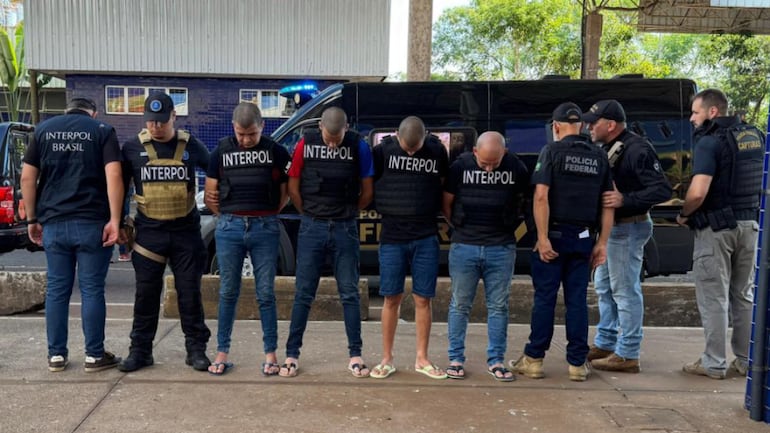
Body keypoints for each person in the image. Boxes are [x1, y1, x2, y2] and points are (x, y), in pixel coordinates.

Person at [510, 102, 613, 382]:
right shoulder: (599, 156)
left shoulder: (551, 151)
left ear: (556, 127)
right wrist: (602, 243)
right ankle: (577, 364)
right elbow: (608, 203)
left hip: (553, 238)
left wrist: (541, 238)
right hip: (583, 239)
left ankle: (534, 359)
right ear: (580, 125)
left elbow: (541, 196)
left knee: (544, 299)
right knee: (576, 300)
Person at [20, 97, 123, 372]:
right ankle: (94, 355)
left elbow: (28, 177)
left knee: (57, 290)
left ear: (67, 111)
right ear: (93, 112)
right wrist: (115, 219)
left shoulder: (43, 131)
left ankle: (56, 355)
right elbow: (114, 174)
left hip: (54, 222)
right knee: (91, 289)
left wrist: (32, 218)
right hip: (91, 222)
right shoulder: (101, 130)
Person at [117, 92, 211, 373]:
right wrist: (120, 220)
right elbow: (120, 187)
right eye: (151, 121)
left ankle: (196, 349)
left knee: (189, 294)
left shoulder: (191, 145)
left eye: (161, 121)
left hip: (186, 234)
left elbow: (216, 170)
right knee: (145, 294)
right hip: (148, 235)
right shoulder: (133, 148)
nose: (156, 127)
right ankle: (140, 350)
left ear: (174, 117)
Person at [280, 106, 374, 378]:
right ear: (321, 126)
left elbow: (367, 190)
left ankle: (355, 355)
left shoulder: (358, 146)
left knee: (349, 294)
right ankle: (292, 354)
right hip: (313, 227)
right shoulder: (304, 144)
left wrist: (347, 213)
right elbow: (293, 186)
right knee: (303, 293)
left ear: (346, 128)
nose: (333, 143)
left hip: (344, 228)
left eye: (338, 137)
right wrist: (309, 214)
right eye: (329, 137)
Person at [676, 89, 763, 379]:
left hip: (716, 229)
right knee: (743, 295)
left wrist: (684, 213)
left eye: (695, 112)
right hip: (751, 226)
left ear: (713, 112)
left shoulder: (709, 142)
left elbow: (698, 192)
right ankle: (746, 360)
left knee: (714, 297)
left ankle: (713, 362)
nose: (691, 118)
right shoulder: (755, 137)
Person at [582, 100, 672, 373]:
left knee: (624, 290)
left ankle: (628, 352)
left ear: (610, 124)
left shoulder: (637, 149)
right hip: (613, 230)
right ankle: (606, 343)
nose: (589, 127)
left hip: (628, 227)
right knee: (604, 287)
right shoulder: (609, 147)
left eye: (593, 122)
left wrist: (625, 199)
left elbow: (662, 190)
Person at [203, 102, 291, 376]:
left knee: (266, 293)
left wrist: (266, 214)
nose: (245, 139)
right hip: (230, 227)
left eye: (251, 134)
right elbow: (210, 193)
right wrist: (227, 216)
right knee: (228, 291)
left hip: (265, 227)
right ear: (233, 128)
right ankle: (221, 351)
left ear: (262, 127)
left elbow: (285, 192)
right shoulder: (220, 151)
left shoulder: (276, 151)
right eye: (241, 134)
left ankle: (270, 354)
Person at [442, 131, 529, 382]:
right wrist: (458, 228)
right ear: (475, 152)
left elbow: (525, 200)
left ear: (505, 153)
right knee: (459, 305)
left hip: (501, 247)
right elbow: (446, 202)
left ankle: (496, 360)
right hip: (465, 246)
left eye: (495, 163)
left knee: (499, 307)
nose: (490, 169)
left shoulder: (516, 168)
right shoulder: (460, 167)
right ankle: (456, 359)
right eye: (484, 163)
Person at [370, 116, 449, 380]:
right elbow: (372, 186)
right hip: (392, 235)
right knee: (391, 298)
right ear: (397, 136)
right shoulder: (382, 152)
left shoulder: (437, 150)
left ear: (425, 137)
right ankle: (387, 358)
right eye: (407, 148)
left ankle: (422, 359)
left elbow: (442, 185)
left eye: (417, 148)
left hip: (426, 235)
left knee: (423, 299)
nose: (412, 152)